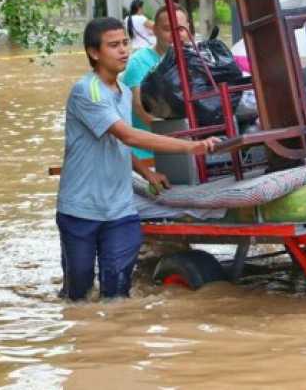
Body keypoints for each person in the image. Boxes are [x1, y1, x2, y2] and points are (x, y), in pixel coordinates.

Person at [55, 17, 218, 301]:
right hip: (81, 210)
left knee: (118, 293)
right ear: (94, 53)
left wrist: (146, 172)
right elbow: (128, 136)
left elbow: (117, 145)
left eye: (125, 43)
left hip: (120, 210)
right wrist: (189, 148)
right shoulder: (88, 91)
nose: (123, 51)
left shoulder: (123, 91)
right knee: (77, 294)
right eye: (113, 45)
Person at [121, 5, 190, 160]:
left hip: (185, 142)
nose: (175, 35)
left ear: (188, 29)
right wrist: (181, 141)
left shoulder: (194, 59)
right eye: (167, 29)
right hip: (148, 153)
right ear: (155, 30)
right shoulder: (138, 63)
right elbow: (141, 111)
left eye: (180, 29)